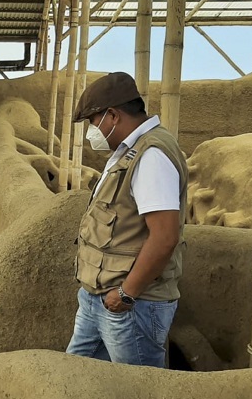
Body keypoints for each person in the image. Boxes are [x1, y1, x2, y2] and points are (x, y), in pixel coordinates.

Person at [65, 72, 188, 368]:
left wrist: (126, 295)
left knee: (138, 395)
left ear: (112, 116)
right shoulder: (129, 151)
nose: (92, 131)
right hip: (101, 298)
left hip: (131, 307)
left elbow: (164, 237)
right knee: (78, 379)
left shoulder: (152, 156)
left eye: (94, 123)